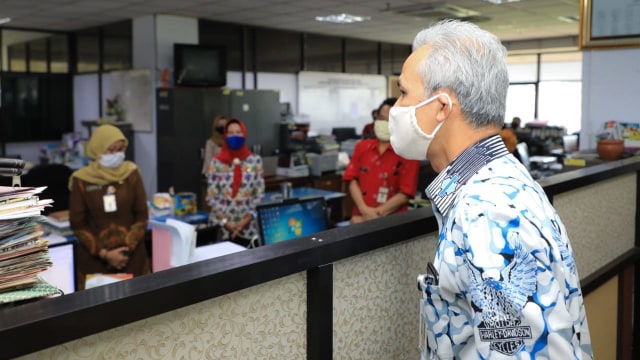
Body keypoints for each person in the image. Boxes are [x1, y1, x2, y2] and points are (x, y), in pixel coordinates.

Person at [388, 20, 592, 359]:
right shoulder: (500, 181)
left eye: (404, 92)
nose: (397, 108)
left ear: (441, 106)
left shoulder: (488, 210)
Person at [69, 124, 150, 290]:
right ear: (98, 151)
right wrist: (106, 254)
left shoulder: (131, 173)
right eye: (111, 150)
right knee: (100, 313)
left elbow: (142, 215)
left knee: (140, 309)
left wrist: (125, 251)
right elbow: (78, 223)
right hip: (96, 263)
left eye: (120, 149)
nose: (116, 155)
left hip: (131, 258)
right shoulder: (82, 180)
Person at [343, 97, 419, 224]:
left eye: (389, 120)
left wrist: (374, 216)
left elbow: (405, 193)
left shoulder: (408, 152)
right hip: (359, 218)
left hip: (392, 222)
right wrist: (364, 210)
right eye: (381, 119)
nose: (384, 123)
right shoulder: (362, 147)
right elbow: (352, 180)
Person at [206, 117, 264, 243]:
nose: (235, 136)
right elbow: (212, 198)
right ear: (225, 136)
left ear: (244, 134)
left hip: (249, 229)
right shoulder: (216, 162)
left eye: (238, 132)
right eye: (231, 133)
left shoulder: (255, 161)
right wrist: (226, 222)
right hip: (221, 228)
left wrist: (246, 220)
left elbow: (259, 196)